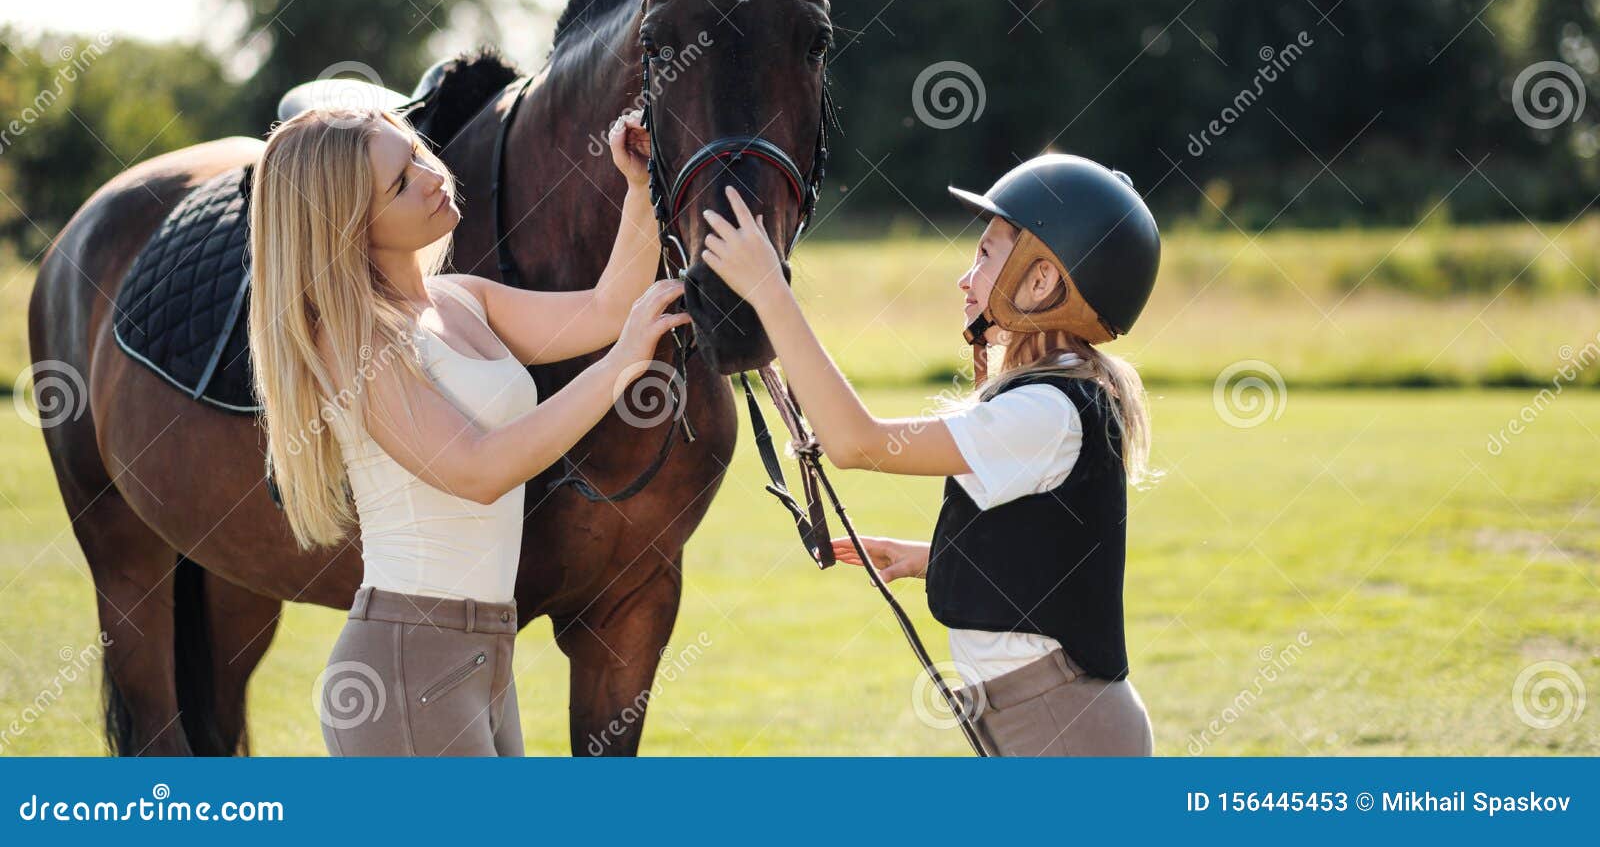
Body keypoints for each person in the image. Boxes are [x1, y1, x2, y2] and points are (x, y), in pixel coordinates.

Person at [246, 103, 690, 756]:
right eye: (399, 183)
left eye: (417, 155)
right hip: (408, 661)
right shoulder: (355, 339)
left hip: (484, 653)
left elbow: (606, 308)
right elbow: (476, 470)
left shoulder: (458, 298)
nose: (431, 177)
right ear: (348, 226)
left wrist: (643, 188)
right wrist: (621, 366)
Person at [700, 152, 1162, 756]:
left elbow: (855, 442)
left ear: (1042, 279)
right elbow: (1042, 554)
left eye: (987, 254)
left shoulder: (1046, 412)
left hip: (1061, 727)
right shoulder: (1050, 400)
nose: (965, 277)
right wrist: (929, 558)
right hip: (1048, 719)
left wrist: (766, 288)